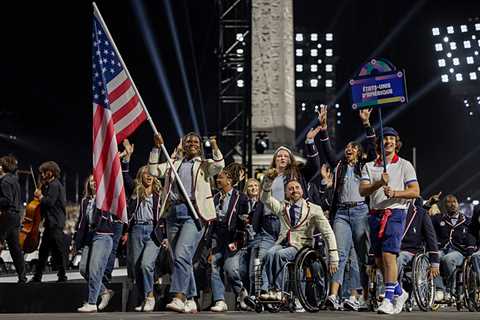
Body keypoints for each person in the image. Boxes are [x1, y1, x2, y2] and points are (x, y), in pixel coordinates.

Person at [149, 132, 225, 313]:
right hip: (173, 213)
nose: (192, 143)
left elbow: (220, 165)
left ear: (199, 146)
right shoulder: (172, 163)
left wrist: (214, 146)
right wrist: (156, 148)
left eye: (195, 141)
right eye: (188, 141)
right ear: (182, 144)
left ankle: (179, 296)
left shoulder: (204, 165)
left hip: (194, 214)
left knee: (182, 254)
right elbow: (153, 171)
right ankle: (191, 298)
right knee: (178, 259)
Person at [317, 106, 376, 311]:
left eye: (353, 147)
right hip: (341, 213)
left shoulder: (365, 166)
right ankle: (333, 296)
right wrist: (323, 129)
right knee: (339, 254)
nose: (349, 149)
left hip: (360, 212)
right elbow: (327, 151)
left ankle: (359, 296)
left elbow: (373, 148)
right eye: (348, 147)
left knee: (360, 256)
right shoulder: (339, 165)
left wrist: (367, 123)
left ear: (359, 153)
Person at [359, 127, 420, 314]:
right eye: (385, 139)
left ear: (397, 143)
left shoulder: (405, 165)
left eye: (392, 139)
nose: (388, 142)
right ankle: (399, 292)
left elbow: (415, 192)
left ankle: (387, 299)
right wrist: (379, 183)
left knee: (388, 255)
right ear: (379, 143)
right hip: (375, 214)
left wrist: (394, 192)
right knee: (379, 261)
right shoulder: (369, 166)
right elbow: (362, 191)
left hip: (395, 212)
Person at [259, 168, 339, 300]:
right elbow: (265, 199)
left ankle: (279, 291)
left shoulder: (313, 209)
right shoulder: (282, 208)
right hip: (283, 244)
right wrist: (268, 181)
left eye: (297, 187)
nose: (294, 190)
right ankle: (268, 289)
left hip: (301, 247)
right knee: (269, 253)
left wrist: (333, 255)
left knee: (279, 255)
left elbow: (328, 232)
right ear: (286, 192)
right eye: (290, 188)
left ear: (302, 190)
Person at [122, 139, 163, 312]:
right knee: (136, 267)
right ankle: (143, 299)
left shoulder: (160, 195)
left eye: (150, 173)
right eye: (145, 173)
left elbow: (164, 217)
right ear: (141, 176)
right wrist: (127, 157)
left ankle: (150, 296)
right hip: (136, 230)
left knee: (146, 264)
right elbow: (124, 175)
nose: (148, 175)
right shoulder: (135, 191)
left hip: (153, 231)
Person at [209, 163, 250, 312]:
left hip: (233, 237)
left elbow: (244, 221)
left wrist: (239, 239)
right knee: (214, 266)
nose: (218, 180)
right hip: (217, 237)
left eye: (221, 177)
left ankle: (241, 293)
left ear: (230, 180)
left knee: (231, 269)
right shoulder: (215, 198)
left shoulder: (241, 197)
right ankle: (220, 300)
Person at [75, 175, 115, 313]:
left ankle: (92, 302)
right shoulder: (85, 201)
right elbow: (81, 224)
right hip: (89, 237)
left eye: (96, 180)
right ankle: (105, 292)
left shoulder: (105, 199)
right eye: (91, 180)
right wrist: (77, 244)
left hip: (103, 236)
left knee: (95, 270)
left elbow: (104, 214)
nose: (93, 182)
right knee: (83, 269)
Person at [431, 194, 476, 301]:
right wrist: (430, 204)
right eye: (448, 202)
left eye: (454, 202)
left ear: (458, 204)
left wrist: (470, 252)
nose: (452, 204)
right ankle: (440, 289)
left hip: (459, 252)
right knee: (432, 256)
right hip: (442, 249)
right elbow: (423, 218)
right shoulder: (438, 219)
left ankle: (452, 289)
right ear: (444, 206)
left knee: (448, 259)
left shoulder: (467, 221)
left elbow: (471, 237)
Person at [31, 161, 68, 283]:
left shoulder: (54, 185)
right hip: (51, 223)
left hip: (55, 223)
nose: (41, 175)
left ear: (50, 172)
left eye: (43, 172)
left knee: (56, 250)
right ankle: (39, 276)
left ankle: (61, 276)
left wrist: (40, 197)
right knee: (44, 251)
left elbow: (50, 202)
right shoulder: (51, 185)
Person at [397, 198, 440, 292]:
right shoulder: (391, 210)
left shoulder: (421, 213)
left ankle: (394, 292)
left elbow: (431, 237)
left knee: (398, 258)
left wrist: (435, 262)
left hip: (411, 250)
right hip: (393, 248)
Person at [0, 155, 26, 283]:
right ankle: (22, 276)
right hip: (16, 217)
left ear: (2, 167)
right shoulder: (14, 180)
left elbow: (6, 200)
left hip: (7, 216)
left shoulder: (4, 181)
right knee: (15, 248)